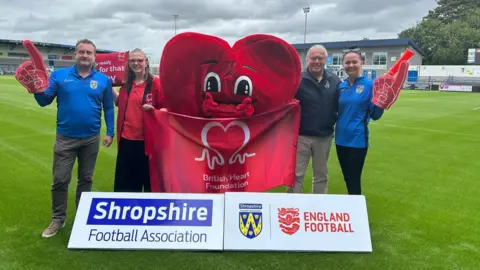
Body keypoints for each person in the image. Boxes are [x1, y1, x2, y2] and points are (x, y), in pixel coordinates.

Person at [32, 39, 114, 238]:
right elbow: (45, 101)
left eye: (89, 52)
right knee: (60, 180)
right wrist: (36, 91)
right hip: (65, 138)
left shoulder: (103, 79)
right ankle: (57, 219)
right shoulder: (60, 75)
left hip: (91, 139)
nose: (85, 55)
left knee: (86, 179)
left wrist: (110, 132)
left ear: (94, 56)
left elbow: (109, 107)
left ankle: (82, 215)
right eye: (81, 52)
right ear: (75, 54)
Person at [287, 45, 342, 194]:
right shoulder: (297, 79)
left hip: (324, 137)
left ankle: (318, 207)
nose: (317, 61)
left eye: (320, 58)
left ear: (325, 60)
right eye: (313, 58)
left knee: (321, 176)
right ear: (307, 60)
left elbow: (342, 104)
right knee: (296, 175)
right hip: (301, 136)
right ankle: (291, 208)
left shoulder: (335, 80)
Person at [112, 48, 164, 193]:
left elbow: (166, 109)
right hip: (127, 141)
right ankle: (127, 214)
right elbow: (121, 103)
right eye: (132, 60)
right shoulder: (125, 84)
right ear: (128, 63)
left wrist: (155, 112)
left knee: (149, 185)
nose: (136, 63)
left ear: (146, 62)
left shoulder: (156, 84)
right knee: (125, 186)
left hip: (148, 143)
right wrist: (108, 88)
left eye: (139, 60)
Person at [335, 46, 384, 195]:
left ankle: (356, 211)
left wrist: (381, 102)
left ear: (361, 62)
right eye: (347, 62)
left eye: (354, 62)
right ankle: (352, 208)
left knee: (354, 177)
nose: (350, 65)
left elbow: (375, 115)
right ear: (343, 65)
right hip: (340, 139)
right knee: (347, 177)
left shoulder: (370, 86)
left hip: (357, 139)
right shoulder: (341, 86)